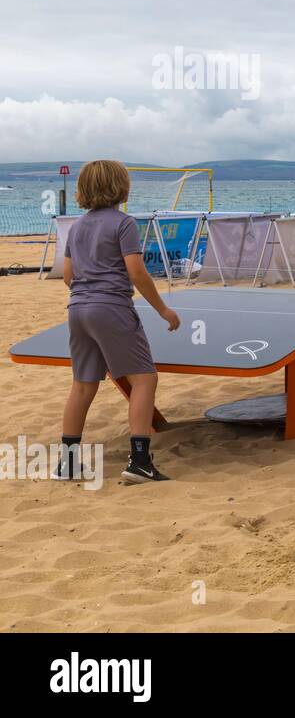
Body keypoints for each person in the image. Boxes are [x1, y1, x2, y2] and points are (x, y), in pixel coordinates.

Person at [60, 160, 180, 484]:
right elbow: (136, 272)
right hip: (111, 308)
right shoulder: (124, 223)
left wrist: (88, 290)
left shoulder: (77, 227)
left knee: (82, 385)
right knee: (144, 379)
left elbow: (68, 275)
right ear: (121, 187)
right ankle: (140, 461)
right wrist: (163, 310)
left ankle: (67, 463)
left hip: (77, 310)